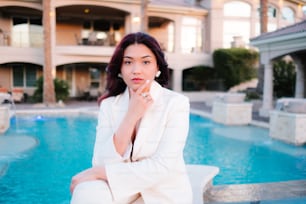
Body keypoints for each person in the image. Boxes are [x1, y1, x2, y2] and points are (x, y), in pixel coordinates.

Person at [70, 32, 192, 204]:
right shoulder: (109, 105)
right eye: (128, 62)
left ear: (158, 67)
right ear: (120, 69)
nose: (136, 70)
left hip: (163, 194)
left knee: (91, 179)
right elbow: (102, 161)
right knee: (86, 191)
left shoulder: (176, 104)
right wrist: (131, 115)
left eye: (146, 62)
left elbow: (162, 167)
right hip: (121, 193)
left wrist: (98, 173)